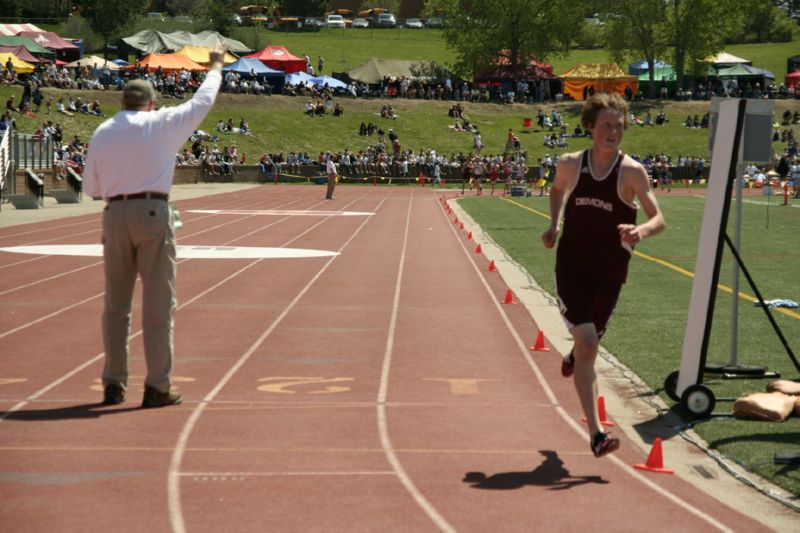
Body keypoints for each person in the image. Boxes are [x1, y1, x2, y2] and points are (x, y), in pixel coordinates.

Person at [82, 44, 228, 408]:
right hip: (153, 212)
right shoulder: (161, 123)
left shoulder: (103, 131)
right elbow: (201, 102)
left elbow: (91, 189)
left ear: (122, 102)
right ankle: (158, 385)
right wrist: (215, 67)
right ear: (151, 103)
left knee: (116, 305)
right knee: (158, 305)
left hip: (114, 214)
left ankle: (113, 382)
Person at [540, 92, 666, 458]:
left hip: (611, 270)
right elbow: (556, 190)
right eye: (607, 124)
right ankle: (596, 434)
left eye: (619, 124)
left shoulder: (631, 172)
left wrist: (641, 231)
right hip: (574, 266)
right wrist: (554, 224)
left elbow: (658, 217)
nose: (614, 131)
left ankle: (574, 354)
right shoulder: (569, 164)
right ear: (591, 127)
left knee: (585, 346)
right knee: (590, 347)